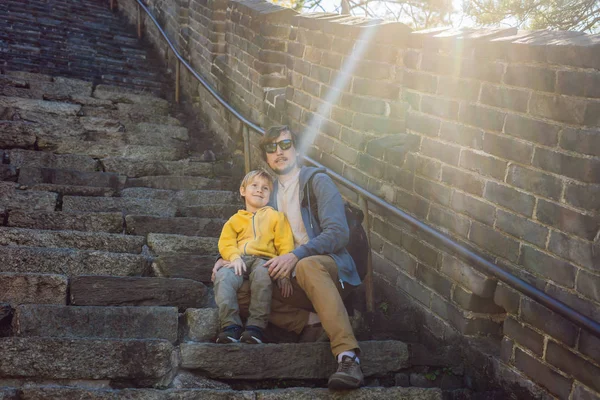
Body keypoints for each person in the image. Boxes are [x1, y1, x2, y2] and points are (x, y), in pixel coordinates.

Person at [213, 126, 364, 390]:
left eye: (285, 144)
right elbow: (248, 233)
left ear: (296, 148)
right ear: (266, 157)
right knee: (236, 287)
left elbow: (338, 233)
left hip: (328, 269)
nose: (279, 151)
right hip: (289, 279)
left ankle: (347, 356)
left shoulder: (316, 181)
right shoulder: (267, 196)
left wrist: (296, 255)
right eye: (272, 148)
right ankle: (311, 322)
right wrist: (224, 258)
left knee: (306, 265)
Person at [213, 169, 294, 344]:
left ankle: (256, 327)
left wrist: (284, 274)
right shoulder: (235, 220)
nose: (259, 190)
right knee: (223, 277)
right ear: (243, 190)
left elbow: (285, 244)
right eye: (255, 186)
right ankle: (230, 326)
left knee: (263, 277)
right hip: (239, 260)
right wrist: (233, 257)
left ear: (270, 195)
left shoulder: (276, 217)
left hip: (265, 261)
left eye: (265, 188)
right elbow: (226, 243)